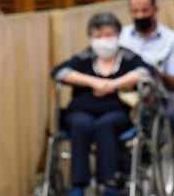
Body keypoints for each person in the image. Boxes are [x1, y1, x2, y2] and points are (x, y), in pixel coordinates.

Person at [50, 12, 153, 196]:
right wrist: (93, 82)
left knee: (105, 126)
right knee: (80, 124)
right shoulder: (84, 58)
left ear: (118, 35)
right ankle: (78, 184)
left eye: (108, 35)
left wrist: (113, 84)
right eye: (98, 36)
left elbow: (145, 72)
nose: (103, 40)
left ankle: (109, 183)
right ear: (90, 37)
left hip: (115, 111)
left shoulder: (128, 58)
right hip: (82, 110)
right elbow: (60, 72)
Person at [119, 0, 174, 127]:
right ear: (129, 12)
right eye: (135, 11)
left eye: (145, 11)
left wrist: (158, 72)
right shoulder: (121, 37)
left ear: (155, 9)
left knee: (170, 117)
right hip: (124, 97)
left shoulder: (172, 40)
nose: (140, 16)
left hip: (160, 99)